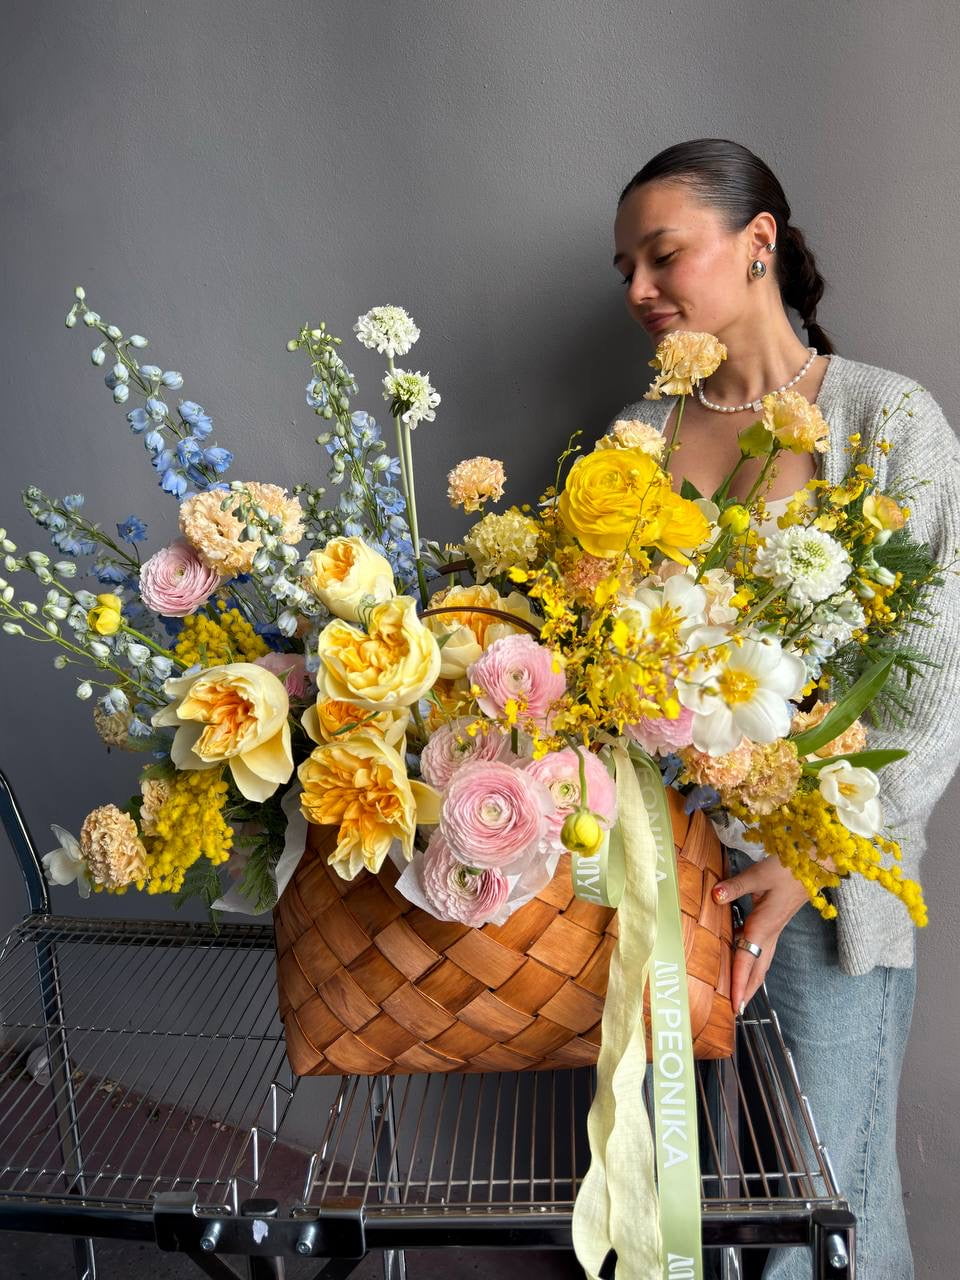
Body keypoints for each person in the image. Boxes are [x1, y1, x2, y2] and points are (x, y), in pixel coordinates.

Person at [608, 138, 960, 1279]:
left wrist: (813, 855)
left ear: (758, 242)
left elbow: (933, 676)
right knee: (683, 1202)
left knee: (822, 1200)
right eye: (626, 268)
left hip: (824, 886)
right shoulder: (635, 440)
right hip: (667, 872)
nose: (638, 292)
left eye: (663, 256)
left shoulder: (889, 421)